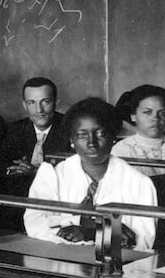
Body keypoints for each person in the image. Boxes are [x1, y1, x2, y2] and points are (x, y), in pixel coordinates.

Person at [27, 97, 157, 250]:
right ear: (72, 140)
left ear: (113, 137)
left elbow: (142, 243)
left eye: (101, 134)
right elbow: (35, 226)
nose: (92, 143)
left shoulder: (139, 183)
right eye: (82, 135)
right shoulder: (53, 176)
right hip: (59, 261)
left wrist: (90, 233)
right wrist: (110, 232)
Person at [4, 76, 65, 183]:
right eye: (31, 103)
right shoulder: (13, 130)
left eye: (45, 101)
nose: (39, 110)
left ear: (56, 102)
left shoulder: (71, 129)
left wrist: (37, 172)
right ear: (24, 105)